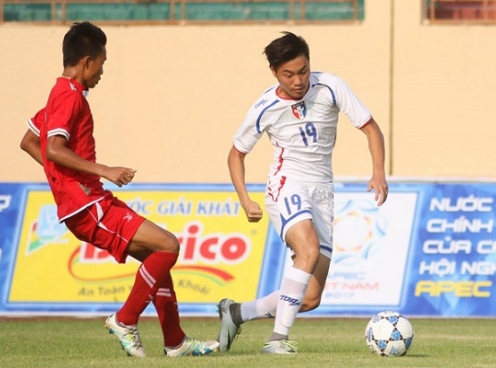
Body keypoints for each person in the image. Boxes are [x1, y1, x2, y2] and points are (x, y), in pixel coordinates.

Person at [19, 21, 219, 358]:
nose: (102, 71)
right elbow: (53, 147)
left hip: (83, 201)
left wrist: (62, 179)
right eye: (102, 63)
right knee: (169, 245)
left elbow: (28, 141)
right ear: (87, 62)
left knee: (157, 259)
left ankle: (176, 342)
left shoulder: (59, 94)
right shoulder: (69, 98)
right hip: (87, 204)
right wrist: (102, 171)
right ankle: (125, 319)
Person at [217, 31, 388, 354]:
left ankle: (237, 312)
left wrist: (378, 171)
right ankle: (277, 340)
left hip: (322, 191)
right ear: (274, 73)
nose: (298, 80)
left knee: (309, 298)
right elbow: (235, 154)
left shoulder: (331, 87)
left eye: (303, 70)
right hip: (286, 182)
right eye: (289, 74)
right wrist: (244, 198)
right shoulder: (264, 107)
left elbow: (370, 128)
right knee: (307, 249)